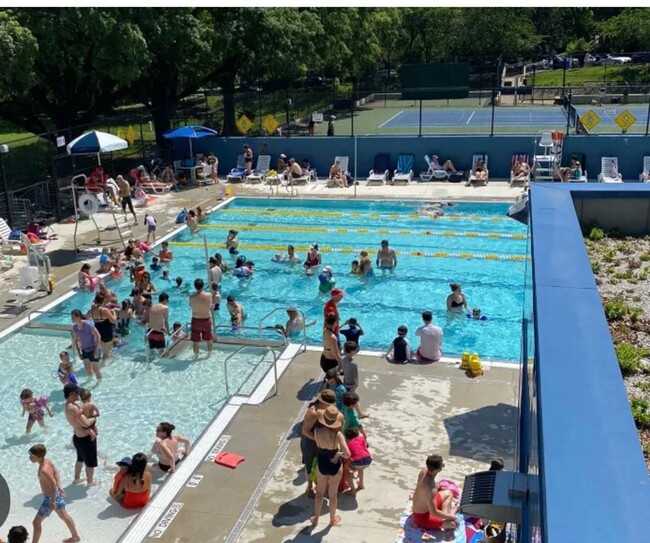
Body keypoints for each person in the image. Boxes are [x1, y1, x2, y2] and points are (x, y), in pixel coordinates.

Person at [305, 405, 350, 528]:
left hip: (322, 462)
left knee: (319, 493)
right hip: (335, 465)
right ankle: (332, 520)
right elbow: (347, 454)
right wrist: (338, 455)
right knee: (332, 495)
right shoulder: (338, 435)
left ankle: (316, 520)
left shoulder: (317, 431)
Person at [28, 444, 81, 543]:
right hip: (55, 495)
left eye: (31, 455)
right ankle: (75, 537)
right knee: (64, 516)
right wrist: (60, 486)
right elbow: (56, 472)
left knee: (36, 522)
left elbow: (52, 485)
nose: (29, 458)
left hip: (50, 498)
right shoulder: (47, 461)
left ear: (37, 457)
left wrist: (52, 501)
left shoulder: (43, 470)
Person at [300, 389, 336, 499]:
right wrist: (319, 440)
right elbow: (305, 431)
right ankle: (309, 487)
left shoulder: (326, 409)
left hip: (321, 442)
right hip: (310, 443)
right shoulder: (313, 412)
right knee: (310, 465)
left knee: (321, 465)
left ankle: (321, 485)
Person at [412, 454, 459, 531]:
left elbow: (421, 489)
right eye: (442, 465)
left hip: (426, 504)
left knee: (449, 493)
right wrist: (452, 517)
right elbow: (433, 512)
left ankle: (446, 515)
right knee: (454, 524)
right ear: (437, 470)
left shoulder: (424, 471)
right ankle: (449, 514)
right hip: (422, 516)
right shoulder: (430, 489)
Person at [63, 383, 98, 486]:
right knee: (90, 464)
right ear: (71, 394)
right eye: (77, 393)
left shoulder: (68, 405)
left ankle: (77, 478)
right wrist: (95, 417)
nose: (79, 395)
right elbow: (86, 423)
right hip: (85, 439)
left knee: (80, 458)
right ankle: (90, 483)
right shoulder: (73, 408)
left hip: (77, 437)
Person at [71, 309, 103, 380]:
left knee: (95, 369)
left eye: (74, 317)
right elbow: (76, 339)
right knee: (87, 368)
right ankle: (90, 380)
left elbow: (98, 336)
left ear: (79, 316)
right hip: (85, 349)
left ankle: (99, 383)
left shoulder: (88, 325)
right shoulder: (74, 327)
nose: (72, 319)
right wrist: (79, 352)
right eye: (71, 317)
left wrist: (96, 349)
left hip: (93, 348)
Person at [88, 293, 117, 363]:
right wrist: (114, 312)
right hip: (106, 331)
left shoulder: (91, 310)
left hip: (98, 331)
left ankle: (98, 362)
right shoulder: (104, 310)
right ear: (103, 300)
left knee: (101, 349)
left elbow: (86, 317)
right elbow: (114, 321)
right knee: (106, 352)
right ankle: (103, 366)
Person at [344, 426, 372, 496]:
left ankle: (353, 491)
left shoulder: (348, 444)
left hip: (356, 462)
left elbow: (347, 455)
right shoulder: (362, 438)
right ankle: (361, 484)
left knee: (347, 472)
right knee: (361, 469)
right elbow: (365, 447)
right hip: (368, 460)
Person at [189, 279, 213, 356]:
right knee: (208, 339)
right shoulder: (209, 295)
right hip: (206, 319)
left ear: (195, 286)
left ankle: (196, 356)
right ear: (203, 286)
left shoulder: (191, 297)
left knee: (195, 341)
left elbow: (191, 305)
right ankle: (209, 354)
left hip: (196, 319)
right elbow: (210, 305)